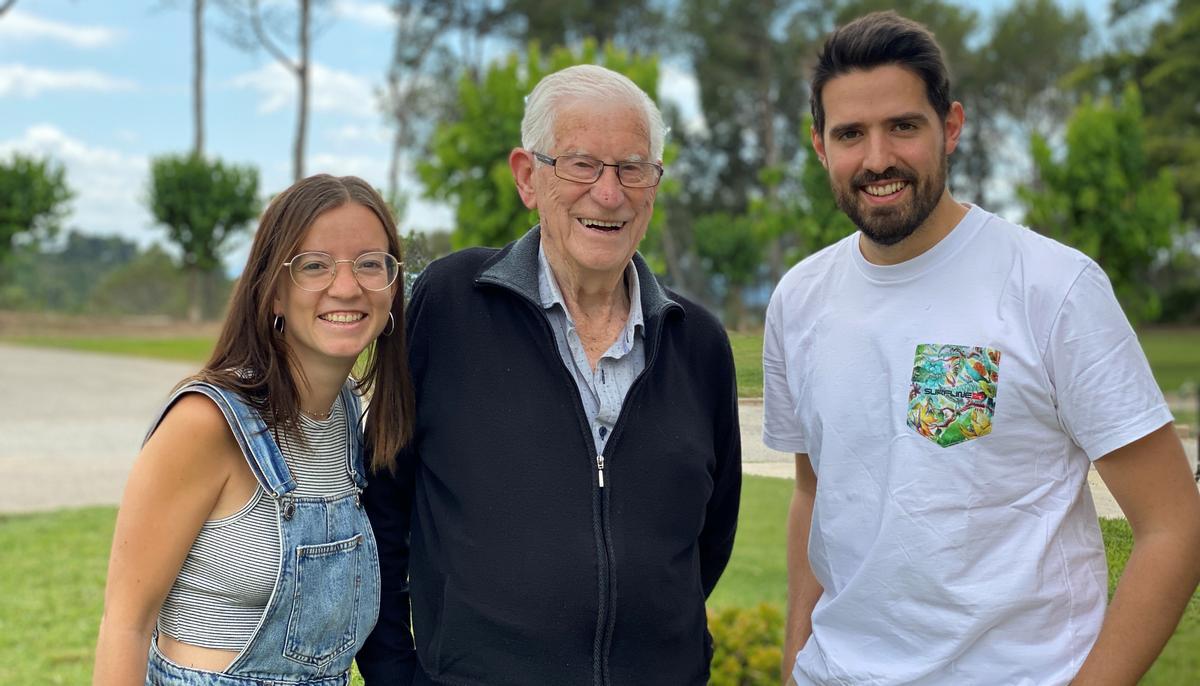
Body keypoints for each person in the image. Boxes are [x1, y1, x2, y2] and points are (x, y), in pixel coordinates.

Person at [763, 10, 1200, 686]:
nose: (877, 158)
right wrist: (794, 664)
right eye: (851, 133)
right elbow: (813, 491)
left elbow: (1174, 526)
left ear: (952, 128)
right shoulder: (798, 300)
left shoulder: (1052, 289)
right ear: (820, 146)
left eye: (903, 126)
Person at [356, 64, 742, 685]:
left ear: (655, 183)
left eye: (632, 168)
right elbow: (382, 508)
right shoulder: (448, 305)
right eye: (581, 163)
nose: (609, 193)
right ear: (528, 177)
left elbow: (708, 539)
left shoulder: (698, 343)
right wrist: (396, 673)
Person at [92, 174, 415, 685]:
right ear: (273, 294)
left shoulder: (349, 414)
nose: (348, 286)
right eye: (315, 266)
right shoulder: (206, 423)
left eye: (371, 264)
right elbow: (124, 625)